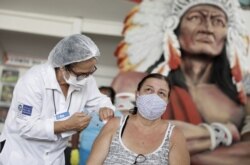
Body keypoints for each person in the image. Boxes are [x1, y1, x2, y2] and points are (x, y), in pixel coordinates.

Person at [113, 0, 250, 164]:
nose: (207, 28)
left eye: (218, 21)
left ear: (229, 33)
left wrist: (173, 158)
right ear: (173, 26)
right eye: (195, 18)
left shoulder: (242, 99)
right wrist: (223, 133)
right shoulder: (133, 82)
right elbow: (127, 135)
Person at [0, 34, 115, 165]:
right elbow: (26, 126)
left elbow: (100, 100)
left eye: (91, 72)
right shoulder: (33, 80)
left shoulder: (86, 80)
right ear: (63, 66)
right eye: (81, 74)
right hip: (22, 156)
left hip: (54, 159)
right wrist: (67, 125)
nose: (86, 78)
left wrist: (105, 107)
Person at [87, 73, 190, 165]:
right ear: (137, 95)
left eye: (161, 93)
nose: (154, 97)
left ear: (167, 101)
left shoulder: (174, 135)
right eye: (149, 90)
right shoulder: (115, 125)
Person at [78, 86, 119, 165]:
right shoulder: (87, 112)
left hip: (104, 154)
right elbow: (76, 131)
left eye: (104, 97)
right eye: (99, 96)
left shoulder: (117, 116)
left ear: (112, 99)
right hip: (84, 150)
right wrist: (74, 149)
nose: (100, 100)